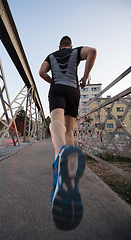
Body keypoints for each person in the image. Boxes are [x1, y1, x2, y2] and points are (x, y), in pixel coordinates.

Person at [39, 36, 97, 230]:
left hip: (56, 89)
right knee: (70, 129)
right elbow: (93, 52)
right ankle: (70, 169)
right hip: (73, 89)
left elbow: (41, 72)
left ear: (59, 46)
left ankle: (59, 158)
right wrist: (85, 77)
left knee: (56, 121)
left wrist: (52, 81)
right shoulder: (76, 51)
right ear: (70, 46)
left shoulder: (51, 55)